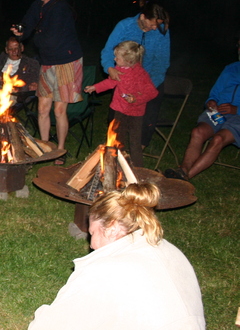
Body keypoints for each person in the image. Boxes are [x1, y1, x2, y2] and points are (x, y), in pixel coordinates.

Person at [28, 183, 205, 329]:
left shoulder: (105, 271)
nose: (90, 244)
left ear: (112, 228)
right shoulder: (170, 250)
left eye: (93, 233)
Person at [11, 0, 83, 164]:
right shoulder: (38, 4)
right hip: (47, 62)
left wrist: (36, 34)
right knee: (43, 108)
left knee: (59, 110)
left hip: (66, 62)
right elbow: (28, 23)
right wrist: (21, 31)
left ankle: (59, 151)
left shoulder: (60, 8)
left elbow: (50, 37)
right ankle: (43, 147)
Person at [100, 1, 170, 148]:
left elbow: (162, 61)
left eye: (158, 24)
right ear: (143, 17)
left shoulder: (161, 31)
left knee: (145, 121)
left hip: (151, 81)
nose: (155, 28)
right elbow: (107, 52)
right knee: (117, 121)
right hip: (124, 80)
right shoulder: (125, 26)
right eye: (152, 24)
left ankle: (138, 154)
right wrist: (109, 68)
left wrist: (146, 86)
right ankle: (116, 152)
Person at [165, 45, 240, 181]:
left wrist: (236, 109)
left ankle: (184, 178)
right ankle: (183, 169)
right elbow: (215, 92)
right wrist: (211, 102)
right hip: (219, 113)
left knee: (218, 139)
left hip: (238, 118)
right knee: (197, 132)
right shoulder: (231, 68)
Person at [84, 41, 157, 167]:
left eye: (117, 57)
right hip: (119, 110)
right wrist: (95, 87)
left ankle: (137, 168)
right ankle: (117, 166)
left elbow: (152, 92)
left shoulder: (141, 75)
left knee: (135, 141)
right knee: (118, 138)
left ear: (128, 61)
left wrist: (136, 98)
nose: (114, 59)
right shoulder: (118, 70)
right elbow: (110, 82)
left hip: (136, 113)